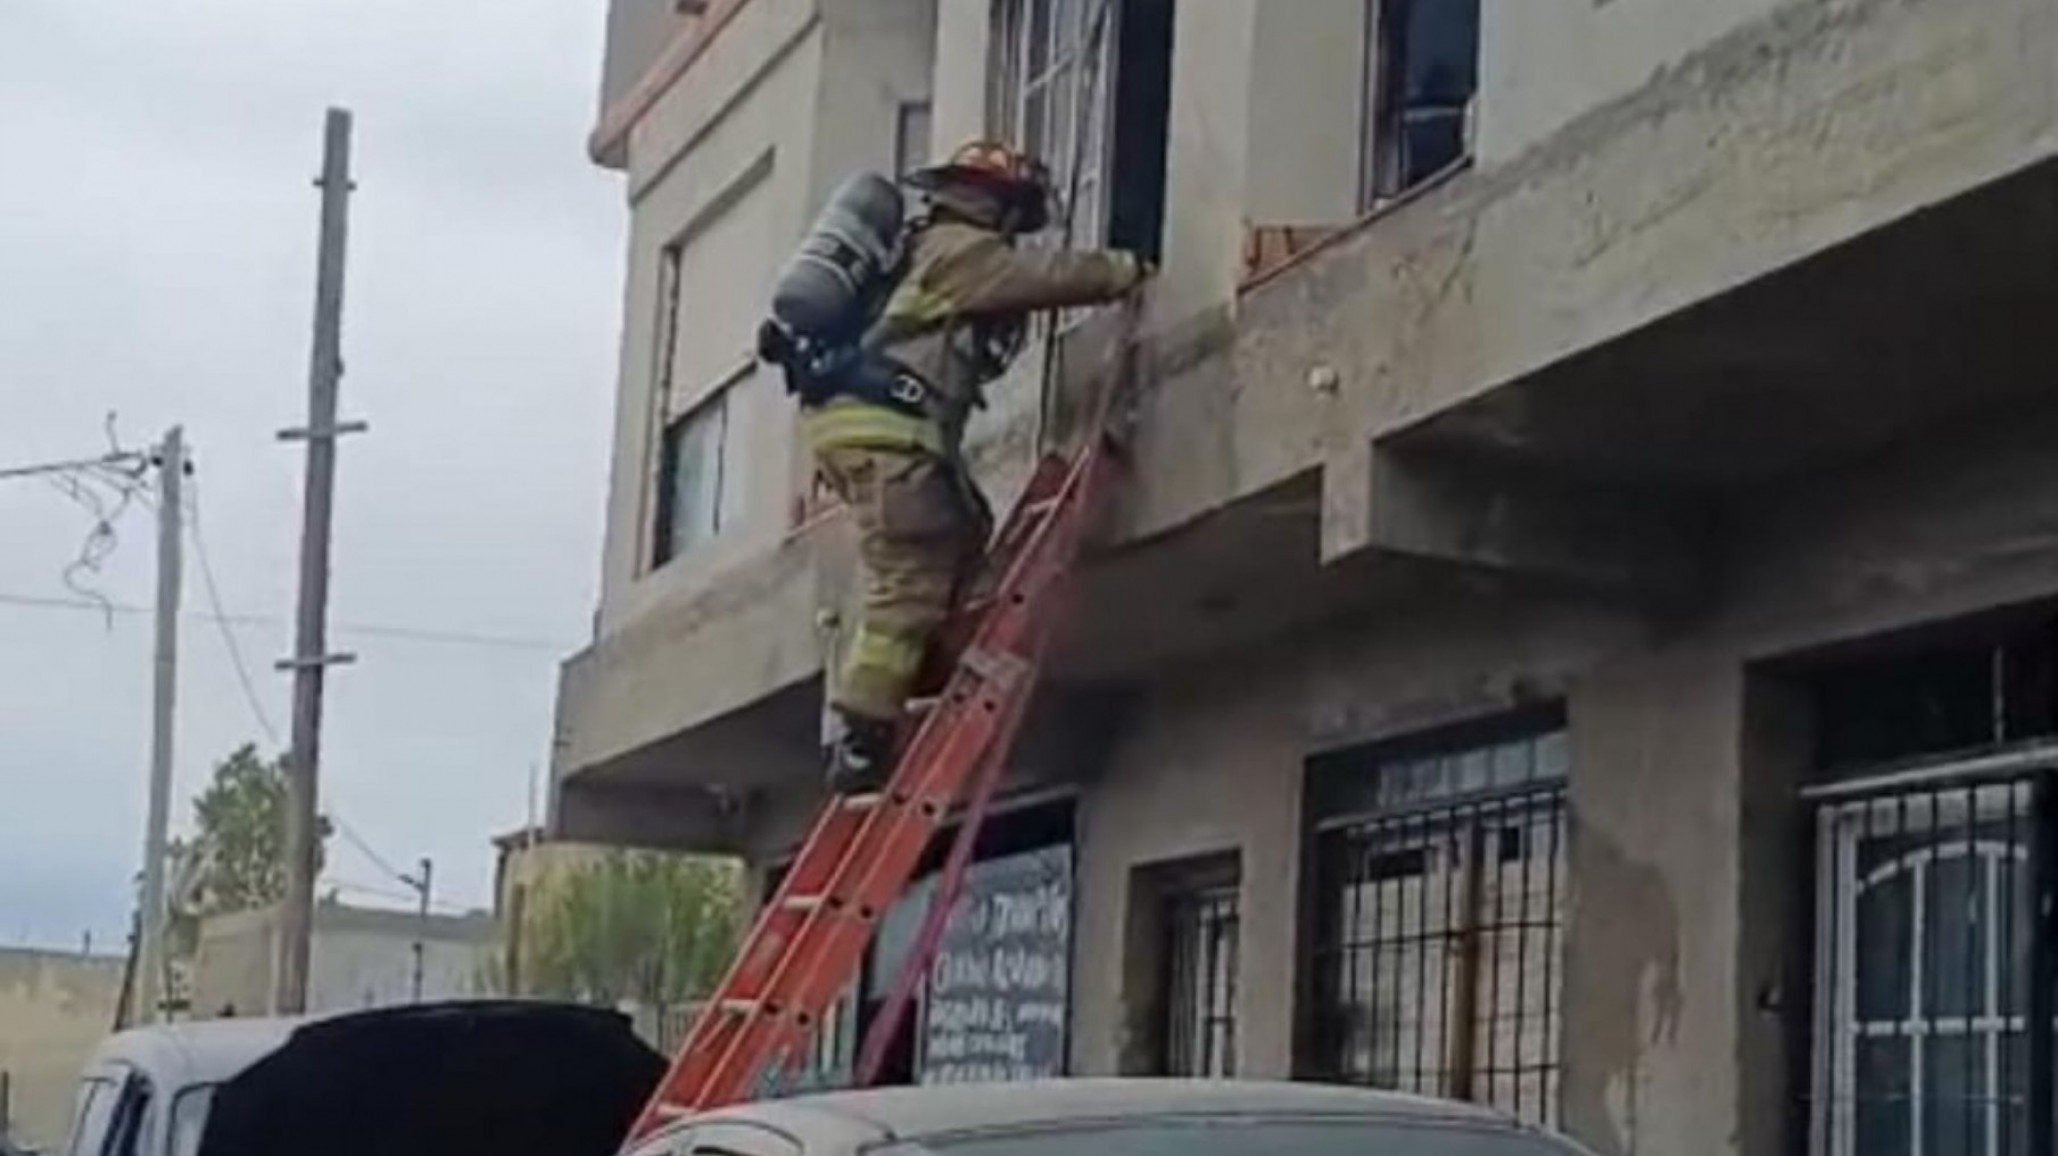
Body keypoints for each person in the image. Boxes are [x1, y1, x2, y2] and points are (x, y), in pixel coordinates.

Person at [804, 139, 1150, 793]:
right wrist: (1125, 270)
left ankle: (922, 662)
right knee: (911, 571)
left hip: (868, 431)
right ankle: (861, 740)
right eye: (1016, 212)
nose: (1017, 228)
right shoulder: (962, 251)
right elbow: (1044, 279)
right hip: (890, 433)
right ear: (995, 202)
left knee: (961, 524)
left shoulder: (914, 248)